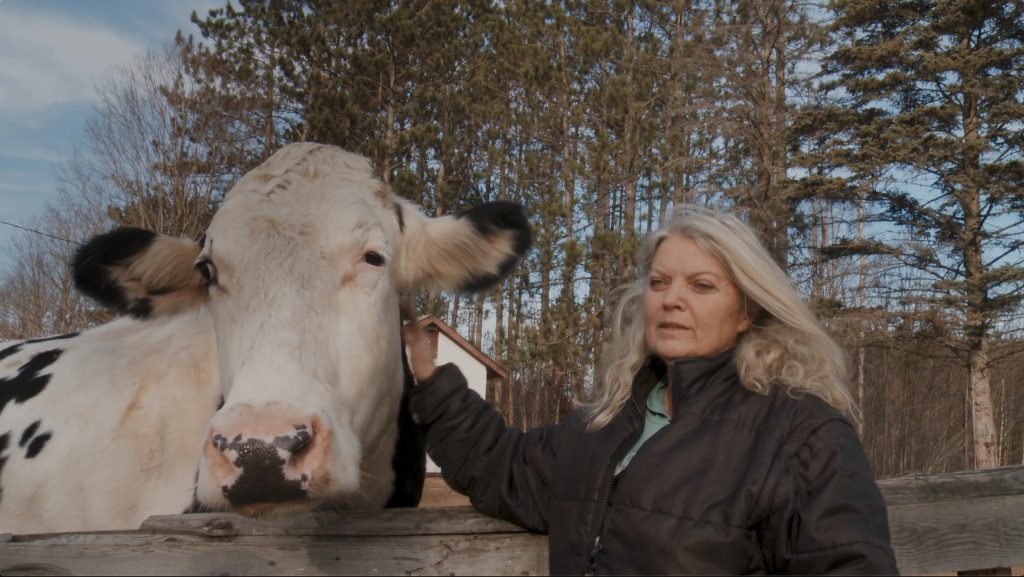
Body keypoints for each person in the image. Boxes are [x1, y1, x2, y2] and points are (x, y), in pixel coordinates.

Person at [402, 204, 898, 575]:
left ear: (748, 310)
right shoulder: (607, 423)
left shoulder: (802, 436)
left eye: (701, 286)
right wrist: (431, 377)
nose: (672, 300)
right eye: (659, 283)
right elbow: (504, 468)